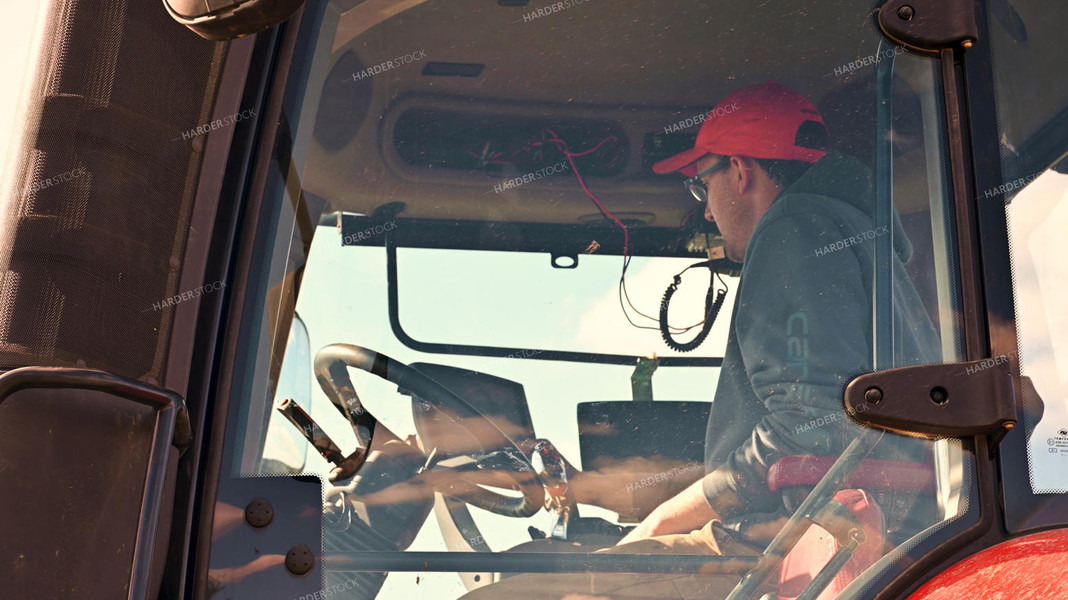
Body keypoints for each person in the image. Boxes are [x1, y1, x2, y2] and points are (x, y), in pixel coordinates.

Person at [462, 81, 939, 600]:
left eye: (700, 185)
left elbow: (810, 428)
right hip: (817, 523)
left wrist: (671, 514)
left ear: (740, 171)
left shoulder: (793, 230)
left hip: (777, 542)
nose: (706, 212)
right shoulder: (857, 239)